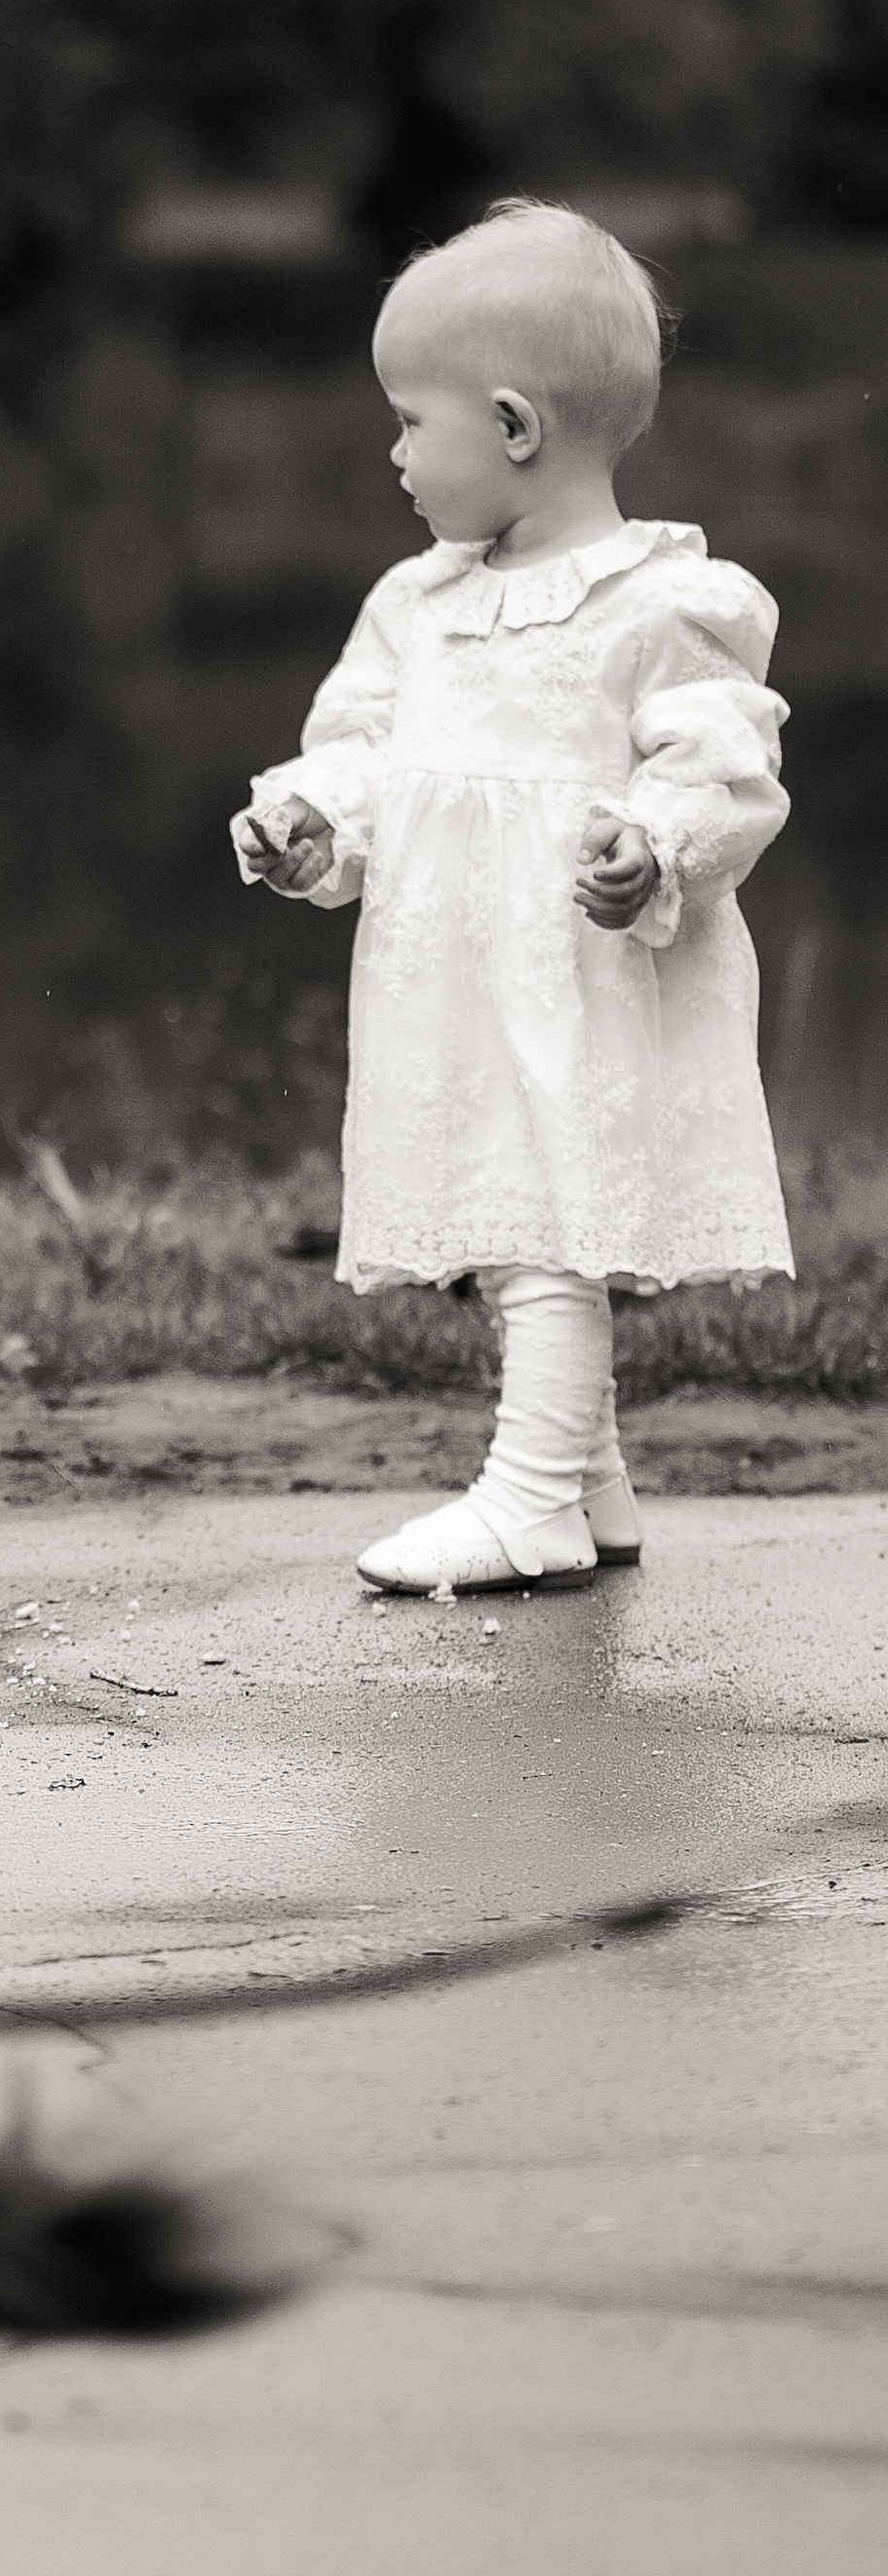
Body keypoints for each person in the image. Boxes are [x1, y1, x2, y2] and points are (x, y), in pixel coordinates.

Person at [231, 199, 791, 1598]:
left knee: (545, 1233)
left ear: (512, 426)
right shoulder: (414, 605)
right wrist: (312, 819)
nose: (395, 454)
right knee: (502, 1219)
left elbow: (723, 765)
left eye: (411, 422)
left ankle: (530, 1495)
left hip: (582, 979)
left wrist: (653, 845)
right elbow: (370, 752)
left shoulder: (661, 604)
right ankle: (590, 1482)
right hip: (452, 980)